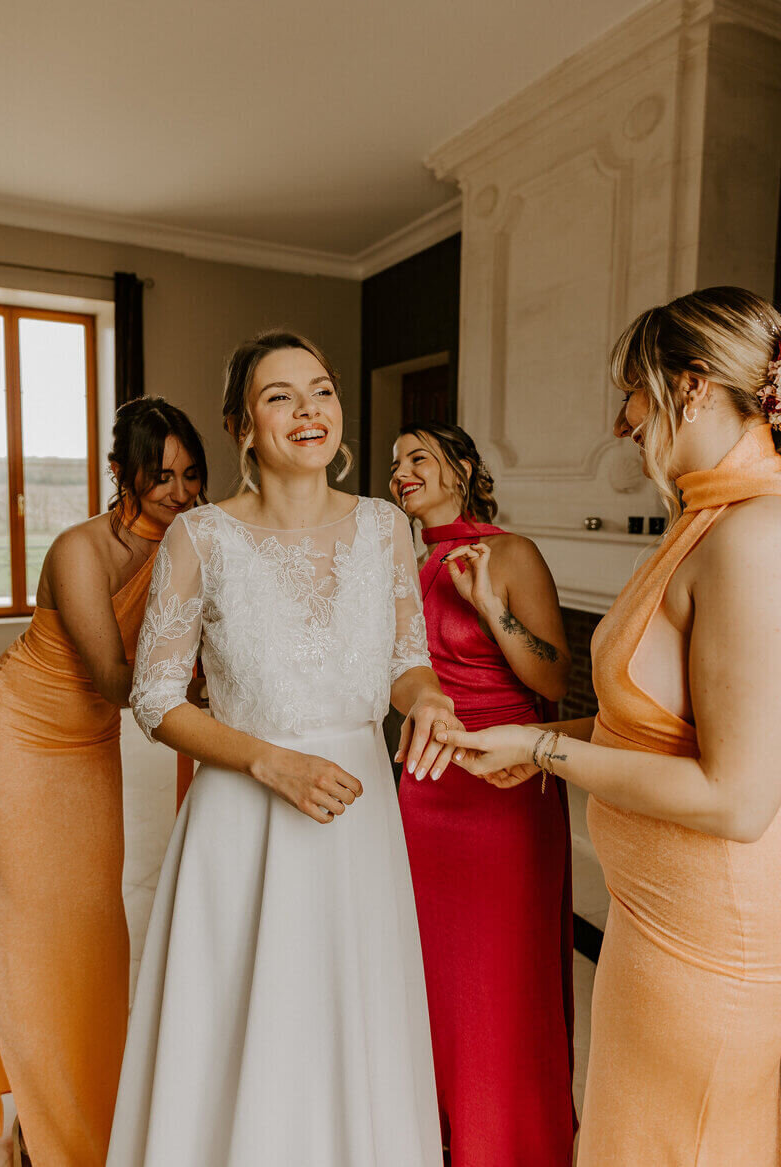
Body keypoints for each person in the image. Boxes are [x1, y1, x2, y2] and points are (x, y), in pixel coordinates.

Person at [435, 287, 781, 1166]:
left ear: (692, 386)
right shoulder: (699, 521)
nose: (622, 418)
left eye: (633, 390)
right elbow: (650, 726)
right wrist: (544, 741)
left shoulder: (753, 538)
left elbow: (739, 798)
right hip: (648, 928)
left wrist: (543, 745)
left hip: (708, 948)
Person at [106, 330, 461, 1167]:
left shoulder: (384, 529)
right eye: (280, 395)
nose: (310, 409)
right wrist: (270, 760)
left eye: (323, 390)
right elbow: (155, 699)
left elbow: (406, 660)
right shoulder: (201, 538)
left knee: (348, 1016)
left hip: (356, 815)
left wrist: (429, 697)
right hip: (244, 813)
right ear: (242, 426)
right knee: (241, 1025)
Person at [0, 397, 207, 1167]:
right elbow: (116, 678)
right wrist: (197, 697)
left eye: (190, 475)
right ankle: (44, 1137)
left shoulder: (189, 545)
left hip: (89, 750)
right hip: (18, 739)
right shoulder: (82, 548)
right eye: (159, 476)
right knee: (36, 936)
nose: (178, 491)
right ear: (120, 474)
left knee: (94, 935)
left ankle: (77, 1117)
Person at [389, 422, 576, 1166]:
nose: (402, 471)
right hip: (424, 791)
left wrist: (488, 602)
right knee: (430, 974)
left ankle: (506, 1144)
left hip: (503, 791)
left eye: (419, 456)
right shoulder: (399, 563)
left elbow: (553, 679)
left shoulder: (509, 551)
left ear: (462, 466)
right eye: (396, 462)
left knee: (499, 979)